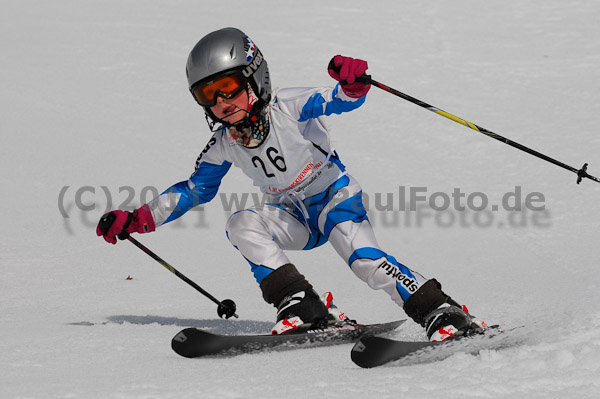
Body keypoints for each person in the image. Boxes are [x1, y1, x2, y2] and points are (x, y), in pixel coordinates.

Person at [96, 27, 487, 341]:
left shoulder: (289, 105)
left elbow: (339, 100)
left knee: (366, 261)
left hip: (335, 200)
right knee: (241, 223)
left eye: (228, 87)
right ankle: (301, 304)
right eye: (208, 95)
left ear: (254, 77)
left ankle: (442, 310)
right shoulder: (224, 144)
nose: (221, 103)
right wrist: (136, 219)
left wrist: (352, 85)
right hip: (290, 216)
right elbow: (194, 190)